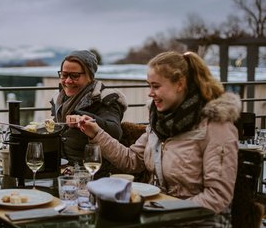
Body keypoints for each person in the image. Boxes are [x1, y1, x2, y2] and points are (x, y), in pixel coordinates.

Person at [74, 51, 241, 226]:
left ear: (180, 84)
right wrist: (95, 132)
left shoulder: (216, 127)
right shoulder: (160, 121)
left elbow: (218, 197)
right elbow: (131, 160)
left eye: (156, 86)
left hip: (200, 222)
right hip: (160, 216)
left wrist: (161, 211)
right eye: (149, 86)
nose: (150, 93)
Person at [50, 50, 127, 178]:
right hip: (63, 173)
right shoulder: (59, 99)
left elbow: (115, 132)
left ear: (90, 76)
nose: (68, 81)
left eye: (75, 76)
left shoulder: (105, 99)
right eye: (64, 75)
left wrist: (84, 118)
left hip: (94, 175)